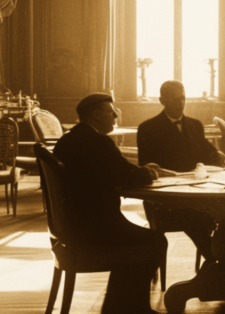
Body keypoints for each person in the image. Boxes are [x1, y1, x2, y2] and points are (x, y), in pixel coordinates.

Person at [52, 92, 167, 314]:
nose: (115, 115)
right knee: (156, 242)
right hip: (97, 228)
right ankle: (134, 308)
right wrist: (148, 173)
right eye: (110, 111)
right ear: (96, 115)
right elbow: (126, 174)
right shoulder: (98, 142)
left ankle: (118, 307)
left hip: (73, 228)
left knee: (143, 240)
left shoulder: (68, 140)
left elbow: (111, 170)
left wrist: (137, 170)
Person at [137, 80, 225, 261]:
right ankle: (215, 261)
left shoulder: (195, 125)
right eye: (174, 99)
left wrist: (217, 155)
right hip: (166, 201)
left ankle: (218, 262)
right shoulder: (148, 128)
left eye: (183, 98)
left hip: (199, 194)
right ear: (162, 100)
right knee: (195, 218)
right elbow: (145, 164)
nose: (180, 104)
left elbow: (208, 151)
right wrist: (152, 168)